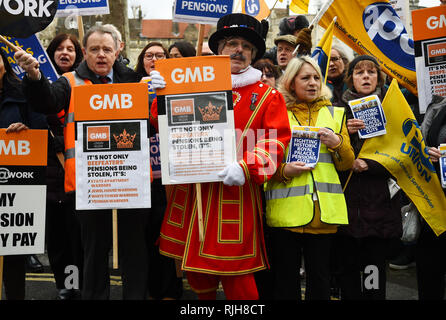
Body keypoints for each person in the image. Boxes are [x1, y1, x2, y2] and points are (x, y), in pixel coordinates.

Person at [151, 13, 291, 300]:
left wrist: (246, 166)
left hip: (234, 195)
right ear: (219, 50)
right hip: (192, 190)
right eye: (232, 43)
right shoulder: (193, 83)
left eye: (246, 46)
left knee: (236, 273)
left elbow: (276, 142)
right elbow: (160, 124)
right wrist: (161, 95)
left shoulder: (268, 96)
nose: (238, 50)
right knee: (197, 271)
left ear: (253, 54)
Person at [14, 25, 150, 300]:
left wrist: (160, 92)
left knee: (134, 251)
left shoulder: (136, 81)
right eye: (95, 49)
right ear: (84, 52)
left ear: (118, 51)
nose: (101, 55)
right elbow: (47, 102)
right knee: (94, 252)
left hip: (131, 183)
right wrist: (34, 75)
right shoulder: (69, 82)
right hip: (89, 184)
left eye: (107, 49)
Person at [264, 56, 354, 300]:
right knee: (286, 283)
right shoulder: (275, 113)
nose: (313, 83)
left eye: (316, 77)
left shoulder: (336, 113)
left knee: (320, 281)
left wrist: (338, 143)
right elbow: (262, 162)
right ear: (291, 83)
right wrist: (284, 171)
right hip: (286, 214)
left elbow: (347, 163)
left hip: (324, 213)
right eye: (305, 78)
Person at [335, 55, 403, 300]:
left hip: (380, 208)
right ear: (350, 78)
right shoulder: (338, 111)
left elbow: (404, 155)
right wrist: (344, 135)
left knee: (374, 278)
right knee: (349, 276)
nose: (365, 76)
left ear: (379, 77)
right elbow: (329, 157)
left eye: (371, 72)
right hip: (347, 208)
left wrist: (371, 165)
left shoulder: (395, 109)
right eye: (359, 72)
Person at [135, 42, 184, 300]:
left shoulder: (176, 86)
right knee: (144, 239)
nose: (154, 58)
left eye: (160, 55)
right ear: (141, 59)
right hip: (142, 177)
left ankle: (170, 290)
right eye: (149, 55)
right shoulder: (132, 86)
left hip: (170, 175)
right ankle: (150, 289)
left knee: (168, 237)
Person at [0, 49, 47, 300]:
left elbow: (41, 127)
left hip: (15, 186)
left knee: (12, 255)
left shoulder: (22, 92)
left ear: (4, 63)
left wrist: (27, 130)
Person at [44, 33, 84, 300]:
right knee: (57, 237)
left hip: (79, 173)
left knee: (78, 237)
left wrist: (67, 139)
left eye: (70, 48)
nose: (65, 53)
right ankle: (65, 285)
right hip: (49, 171)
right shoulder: (37, 83)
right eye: (59, 48)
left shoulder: (86, 84)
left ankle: (79, 282)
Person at [415, 93, 446, 299]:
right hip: (434, 199)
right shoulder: (438, 107)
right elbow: (421, 143)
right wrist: (428, 153)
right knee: (430, 267)